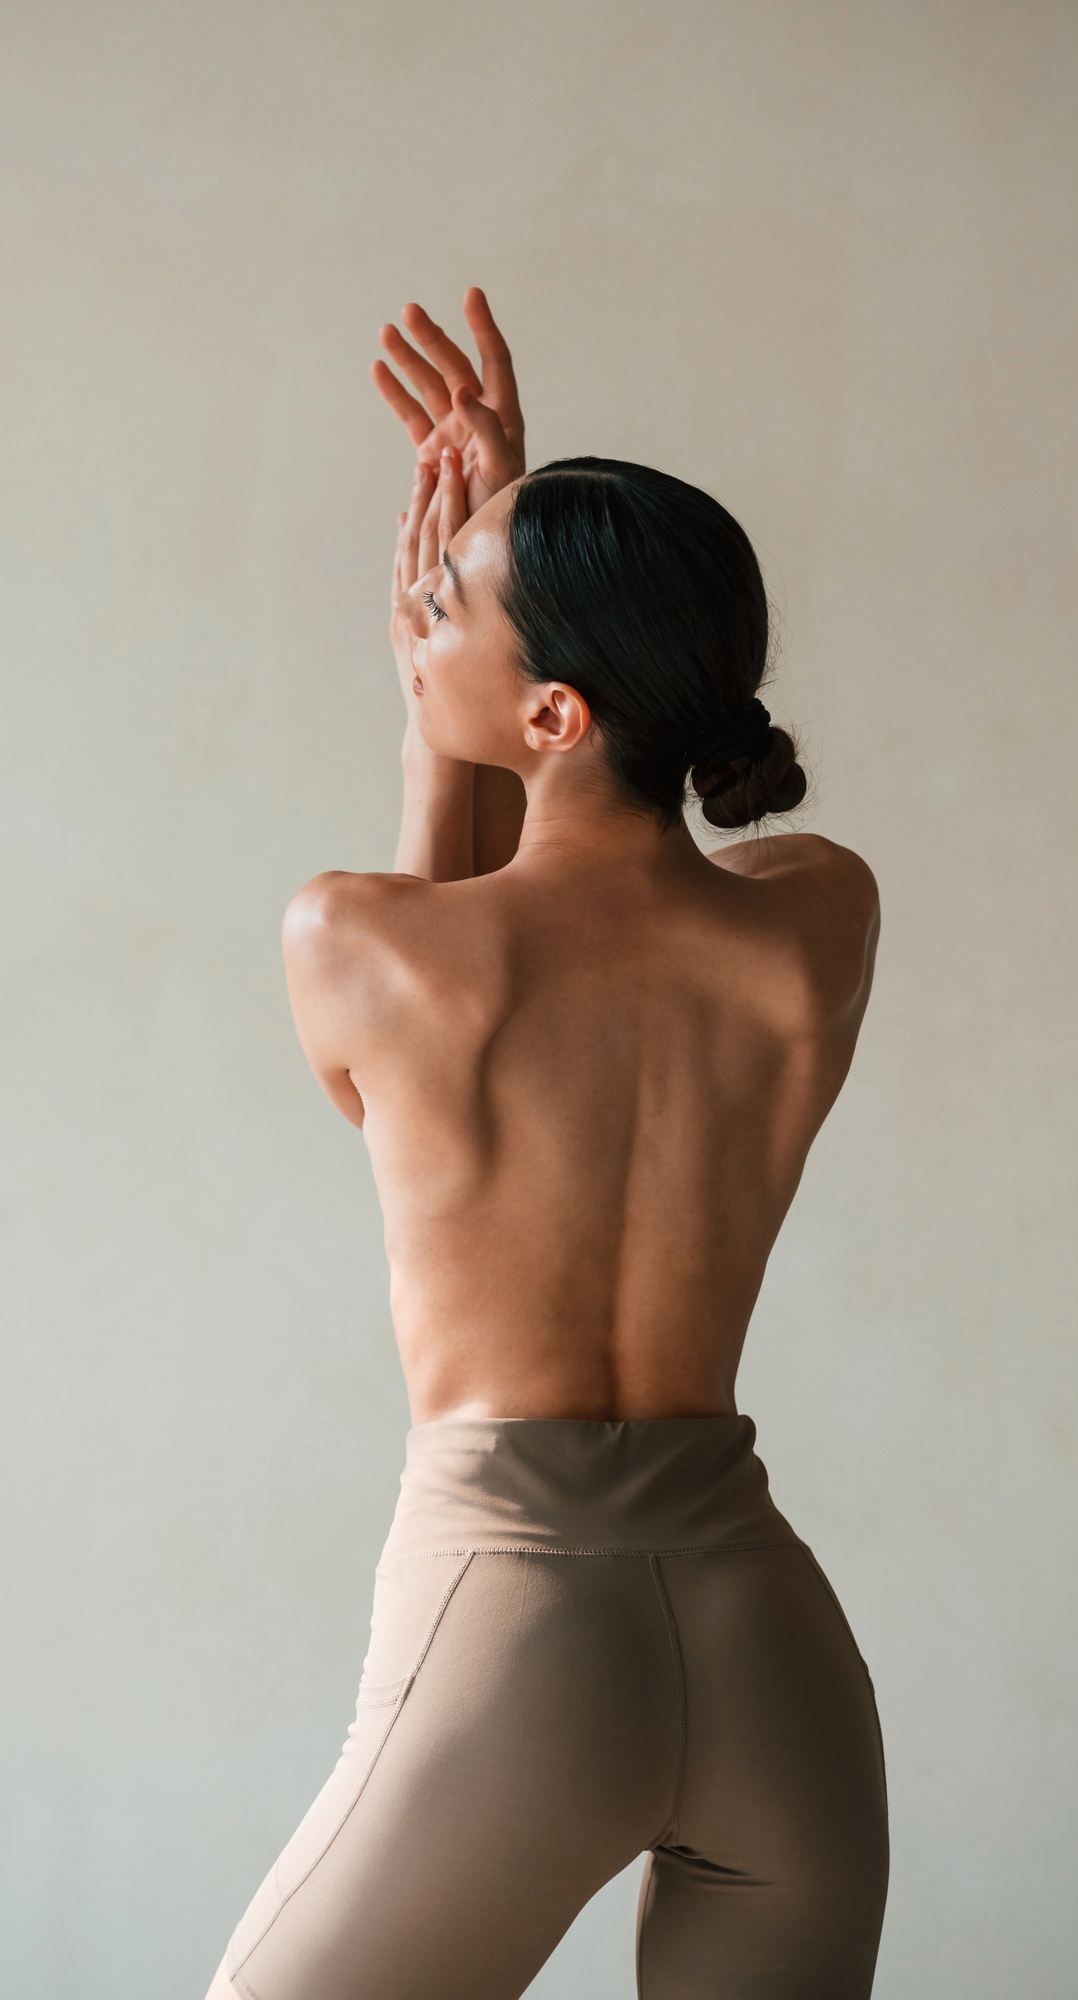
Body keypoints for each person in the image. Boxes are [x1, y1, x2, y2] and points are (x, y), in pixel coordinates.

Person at [207, 290, 887, 1999]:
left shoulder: (353, 941)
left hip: (516, 1619)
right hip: (772, 1646)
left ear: (559, 716)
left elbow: (441, 955)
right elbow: (545, 881)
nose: (411, 624)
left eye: (439, 608)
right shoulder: (817, 914)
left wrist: (443, 700)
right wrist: (515, 567)